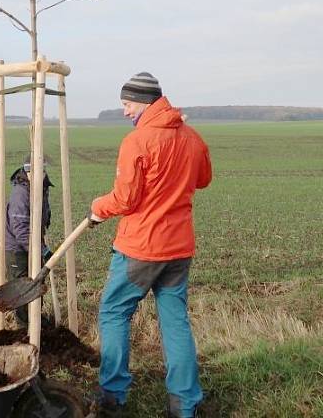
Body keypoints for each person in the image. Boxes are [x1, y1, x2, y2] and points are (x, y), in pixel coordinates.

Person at [88, 72, 212, 418]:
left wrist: (97, 208)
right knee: (175, 323)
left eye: (127, 104)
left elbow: (125, 199)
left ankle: (112, 396)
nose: (126, 111)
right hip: (179, 250)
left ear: (144, 102)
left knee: (114, 313)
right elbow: (203, 179)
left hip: (140, 249)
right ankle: (185, 405)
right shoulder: (192, 137)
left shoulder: (137, 141)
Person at [5, 154, 53, 327]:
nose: (43, 173)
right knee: (22, 288)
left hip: (34, 243)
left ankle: (36, 320)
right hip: (18, 249)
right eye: (39, 170)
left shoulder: (40, 186)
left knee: (36, 283)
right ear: (28, 171)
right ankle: (25, 328)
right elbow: (21, 230)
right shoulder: (21, 193)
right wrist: (42, 250)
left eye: (44, 169)